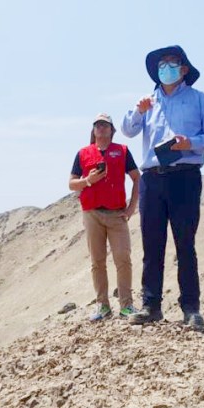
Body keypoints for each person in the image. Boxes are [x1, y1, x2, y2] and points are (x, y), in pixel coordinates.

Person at [121, 45, 204, 326]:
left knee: (185, 244)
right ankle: (151, 306)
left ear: (184, 69)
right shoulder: (147, 101)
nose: (165, 68)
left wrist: (190, 143)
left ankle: (191, 307)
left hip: (185, 177)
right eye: (161, 64)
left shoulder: (200, 100)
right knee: (152, 244)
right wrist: (137, 112)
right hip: (152, 178)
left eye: (171, 63)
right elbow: (128, 130)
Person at [69, 113, 141, 321]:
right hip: (92, 213)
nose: (101, 129)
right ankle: (103, 305)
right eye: (97, 125)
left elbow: (137, 178)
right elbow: (71, 183)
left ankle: (126, 305)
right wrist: (88, 180)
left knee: (123, 258)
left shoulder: (122, 151)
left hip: (117, 213)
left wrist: (131, 207)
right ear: (93, 130)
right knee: (97, 261)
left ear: (111, 130)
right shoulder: (83, 153)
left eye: (105, 125)